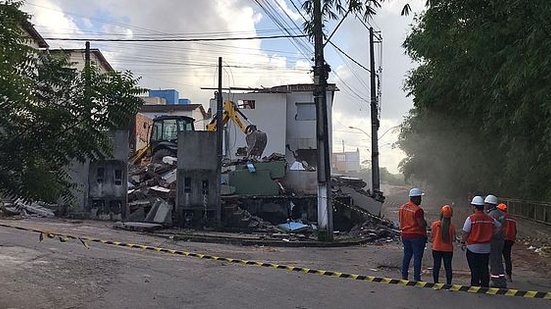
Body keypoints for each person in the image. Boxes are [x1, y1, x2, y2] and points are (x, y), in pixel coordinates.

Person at [462, 196, 500, 287]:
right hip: (486, 248)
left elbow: (465, 232)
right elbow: (499, 226)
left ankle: (475, 284)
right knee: (484, 267)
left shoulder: (471, 218)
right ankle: (484, 284)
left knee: (474, 268)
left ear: (475, 207)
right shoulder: (490, 219)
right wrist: (491, 234)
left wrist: (463, 242)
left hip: (473, 248)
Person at [399, 187, 427, 282]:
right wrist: (426, 224)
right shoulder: (418, 210)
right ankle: (416, 278)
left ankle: (404, 276)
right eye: (419, 198)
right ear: (415, 198)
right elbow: (421, 224)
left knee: (407, 255)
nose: (420, 200)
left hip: (405, 235)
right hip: (416, 236)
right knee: (417, 257)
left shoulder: (402, 207)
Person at [485, 194, 507, 288]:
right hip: (501, 240)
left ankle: (495, 280)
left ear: (490, 204)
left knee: (493, 260)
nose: (485, 206)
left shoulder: (491, 215)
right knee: (499, 259)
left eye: (486, 204)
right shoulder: (502, 214)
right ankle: (502, 279)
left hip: (494, 240)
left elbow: (493, 227)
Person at [431, 205, 456, 285]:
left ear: (441, 214)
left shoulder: (435, 224)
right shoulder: (452, 227)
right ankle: (448, 284)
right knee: (448, 267)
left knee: (436, 266)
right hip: (448, 249)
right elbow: (453, 239)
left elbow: (432, 236)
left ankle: (436, 283)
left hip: (436, 248)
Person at [497, 203, 517, 282]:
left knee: (498, 258)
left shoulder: (501, 217)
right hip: (510, 240)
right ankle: (509, 275)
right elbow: (515, 230)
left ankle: (499, 275)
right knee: (507, 257)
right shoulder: (512, 218)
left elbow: (498, 228)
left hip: (502, 239)